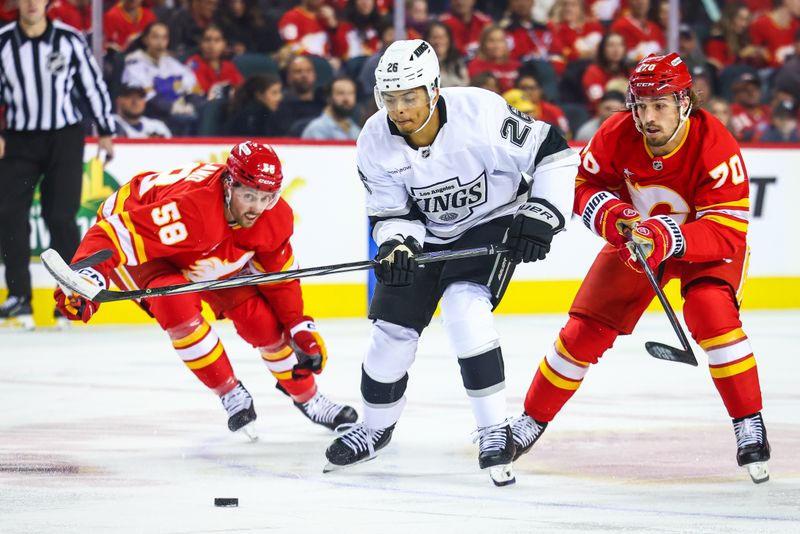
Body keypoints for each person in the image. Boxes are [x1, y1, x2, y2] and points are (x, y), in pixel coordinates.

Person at [323, 39, 578, 486]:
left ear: (434, 90)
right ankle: (375, 427)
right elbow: (390, 213)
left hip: (492, 220)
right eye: (390, 98)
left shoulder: (481, 112)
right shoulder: (373, 139)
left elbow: (553, 153)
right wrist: (397, 245)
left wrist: (542, 214)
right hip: (426, 235)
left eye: (409, 97)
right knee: (390, 335)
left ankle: (492, 431)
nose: (399, 109)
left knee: (464, 308)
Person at [510, 53, 771, 484]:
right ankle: (530, 421)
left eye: (660, 105)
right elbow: (582, 184)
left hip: (702, 244)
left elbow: (727, 231)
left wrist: (666, 236)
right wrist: (616, 218)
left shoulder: (717, 147)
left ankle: (748, 421)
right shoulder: (616, 132)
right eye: (640, 105)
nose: (647, 117)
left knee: (711, 315)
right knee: (585, 328)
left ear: (685, 102)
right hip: (640, 241)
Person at [53, 141, 358, 438]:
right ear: (229, 185)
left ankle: (309, 399)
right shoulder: (192, 210)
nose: (257, 208)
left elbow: (279, 282)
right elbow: (112, 235)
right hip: (151, 238)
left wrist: (297, 326)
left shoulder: (272, 218)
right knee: (176, 303)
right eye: (249, 196)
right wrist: (88, 277)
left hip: (203, 242)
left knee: (262, 322)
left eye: (268, 197)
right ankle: (229, 393)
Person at [0, 0, 115, 330]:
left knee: (61, 217)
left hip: (63, 137)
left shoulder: (68, 39)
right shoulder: (4, 41)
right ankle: (19, 297)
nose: (32, 3)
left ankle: (70, 297)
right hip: (19, 139)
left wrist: (105, 130)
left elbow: (91, 85)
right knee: (9, 214)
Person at [301, 75, 361, 140]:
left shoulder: (356, 130)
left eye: (350, 93)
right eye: (340, 93)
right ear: (329, 98)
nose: (346, 99)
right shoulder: (316, 129)